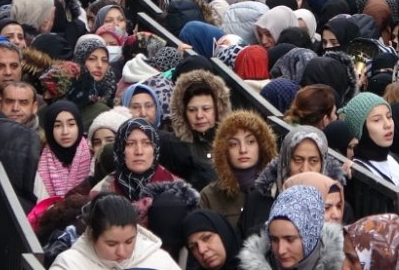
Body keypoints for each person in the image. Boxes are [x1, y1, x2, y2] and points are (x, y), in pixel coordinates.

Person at [50, 193, 179, 269]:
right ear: (93, 236)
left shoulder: (158, 261)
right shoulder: (70, 264)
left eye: (129, 241)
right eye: (111, 244)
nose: (122, 252)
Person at [199, 110, 278, 230]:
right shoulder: (210, 196)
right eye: (233, 144)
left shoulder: (277, 189)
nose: (243, 150)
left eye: (250, 142)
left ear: (262, 145)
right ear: (224, 150)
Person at [238, 185, 345, 270]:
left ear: (310, 236)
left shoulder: (345, 265)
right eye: (274, 239)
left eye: (290, 239)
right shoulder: (252, 265)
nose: (281, 250)